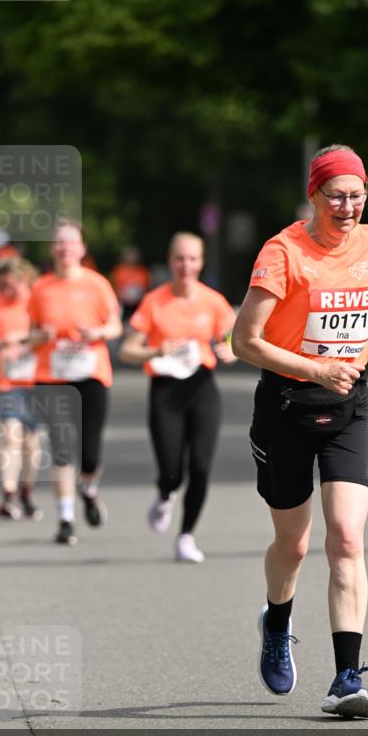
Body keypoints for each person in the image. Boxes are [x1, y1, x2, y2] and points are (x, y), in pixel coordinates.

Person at [231, 144, 368, 719]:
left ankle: (347, 678)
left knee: (347, 539)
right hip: (287, 407)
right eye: (336, 196)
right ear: (314, 195)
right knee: (294, 544)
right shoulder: (282, 253)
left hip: (349, 406)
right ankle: (276, 621)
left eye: (357, 195)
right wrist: (316, 369)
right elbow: (244, 341)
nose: (347, 206)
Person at [120, 232, 236, 563]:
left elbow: (235, 338)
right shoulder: (154, 301)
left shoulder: (213, 301)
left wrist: (230, 350)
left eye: (193, 259)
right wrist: (156, 349)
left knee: (200, 465)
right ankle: (165, 494)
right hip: (165, 389)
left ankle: (186, 536)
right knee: (171, 470)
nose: (186, 265)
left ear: (201, 262)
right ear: (170, 262)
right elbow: (127, 350)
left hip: (202, 387)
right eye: (180, 259)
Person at [28, 221, 122, 545]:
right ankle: (66, 519)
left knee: (90, 454)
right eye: (59, 242)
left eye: (70, 242)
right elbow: (29, 333)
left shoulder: (97, 284)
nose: (64, 248)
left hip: (91, 375)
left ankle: (89, 487)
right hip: (51, 376)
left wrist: (97, 333)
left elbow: (115, 326)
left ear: (82, 249)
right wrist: (40, 336)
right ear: (52, 248)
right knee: (61, 447)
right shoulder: (41, 287)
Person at [0, 259, 43, 520]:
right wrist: (0, 344)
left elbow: (51, 332)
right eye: (2, 285)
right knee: (10, 434)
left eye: (10, 284)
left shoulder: (38, 302)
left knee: (32, 441)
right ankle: (8, 495)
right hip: (6, 382)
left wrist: (26, 341)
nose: (6, 290)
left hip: (37, 380)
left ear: (25, 279)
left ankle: (27, 492)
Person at [111, 246, 151, 321]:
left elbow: (147, 288)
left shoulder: (142, 271)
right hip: (123, 303)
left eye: (133, 255)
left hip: (139, 303)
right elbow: (114, 287)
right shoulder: (119, 271)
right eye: (129, 255)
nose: (131, 258)